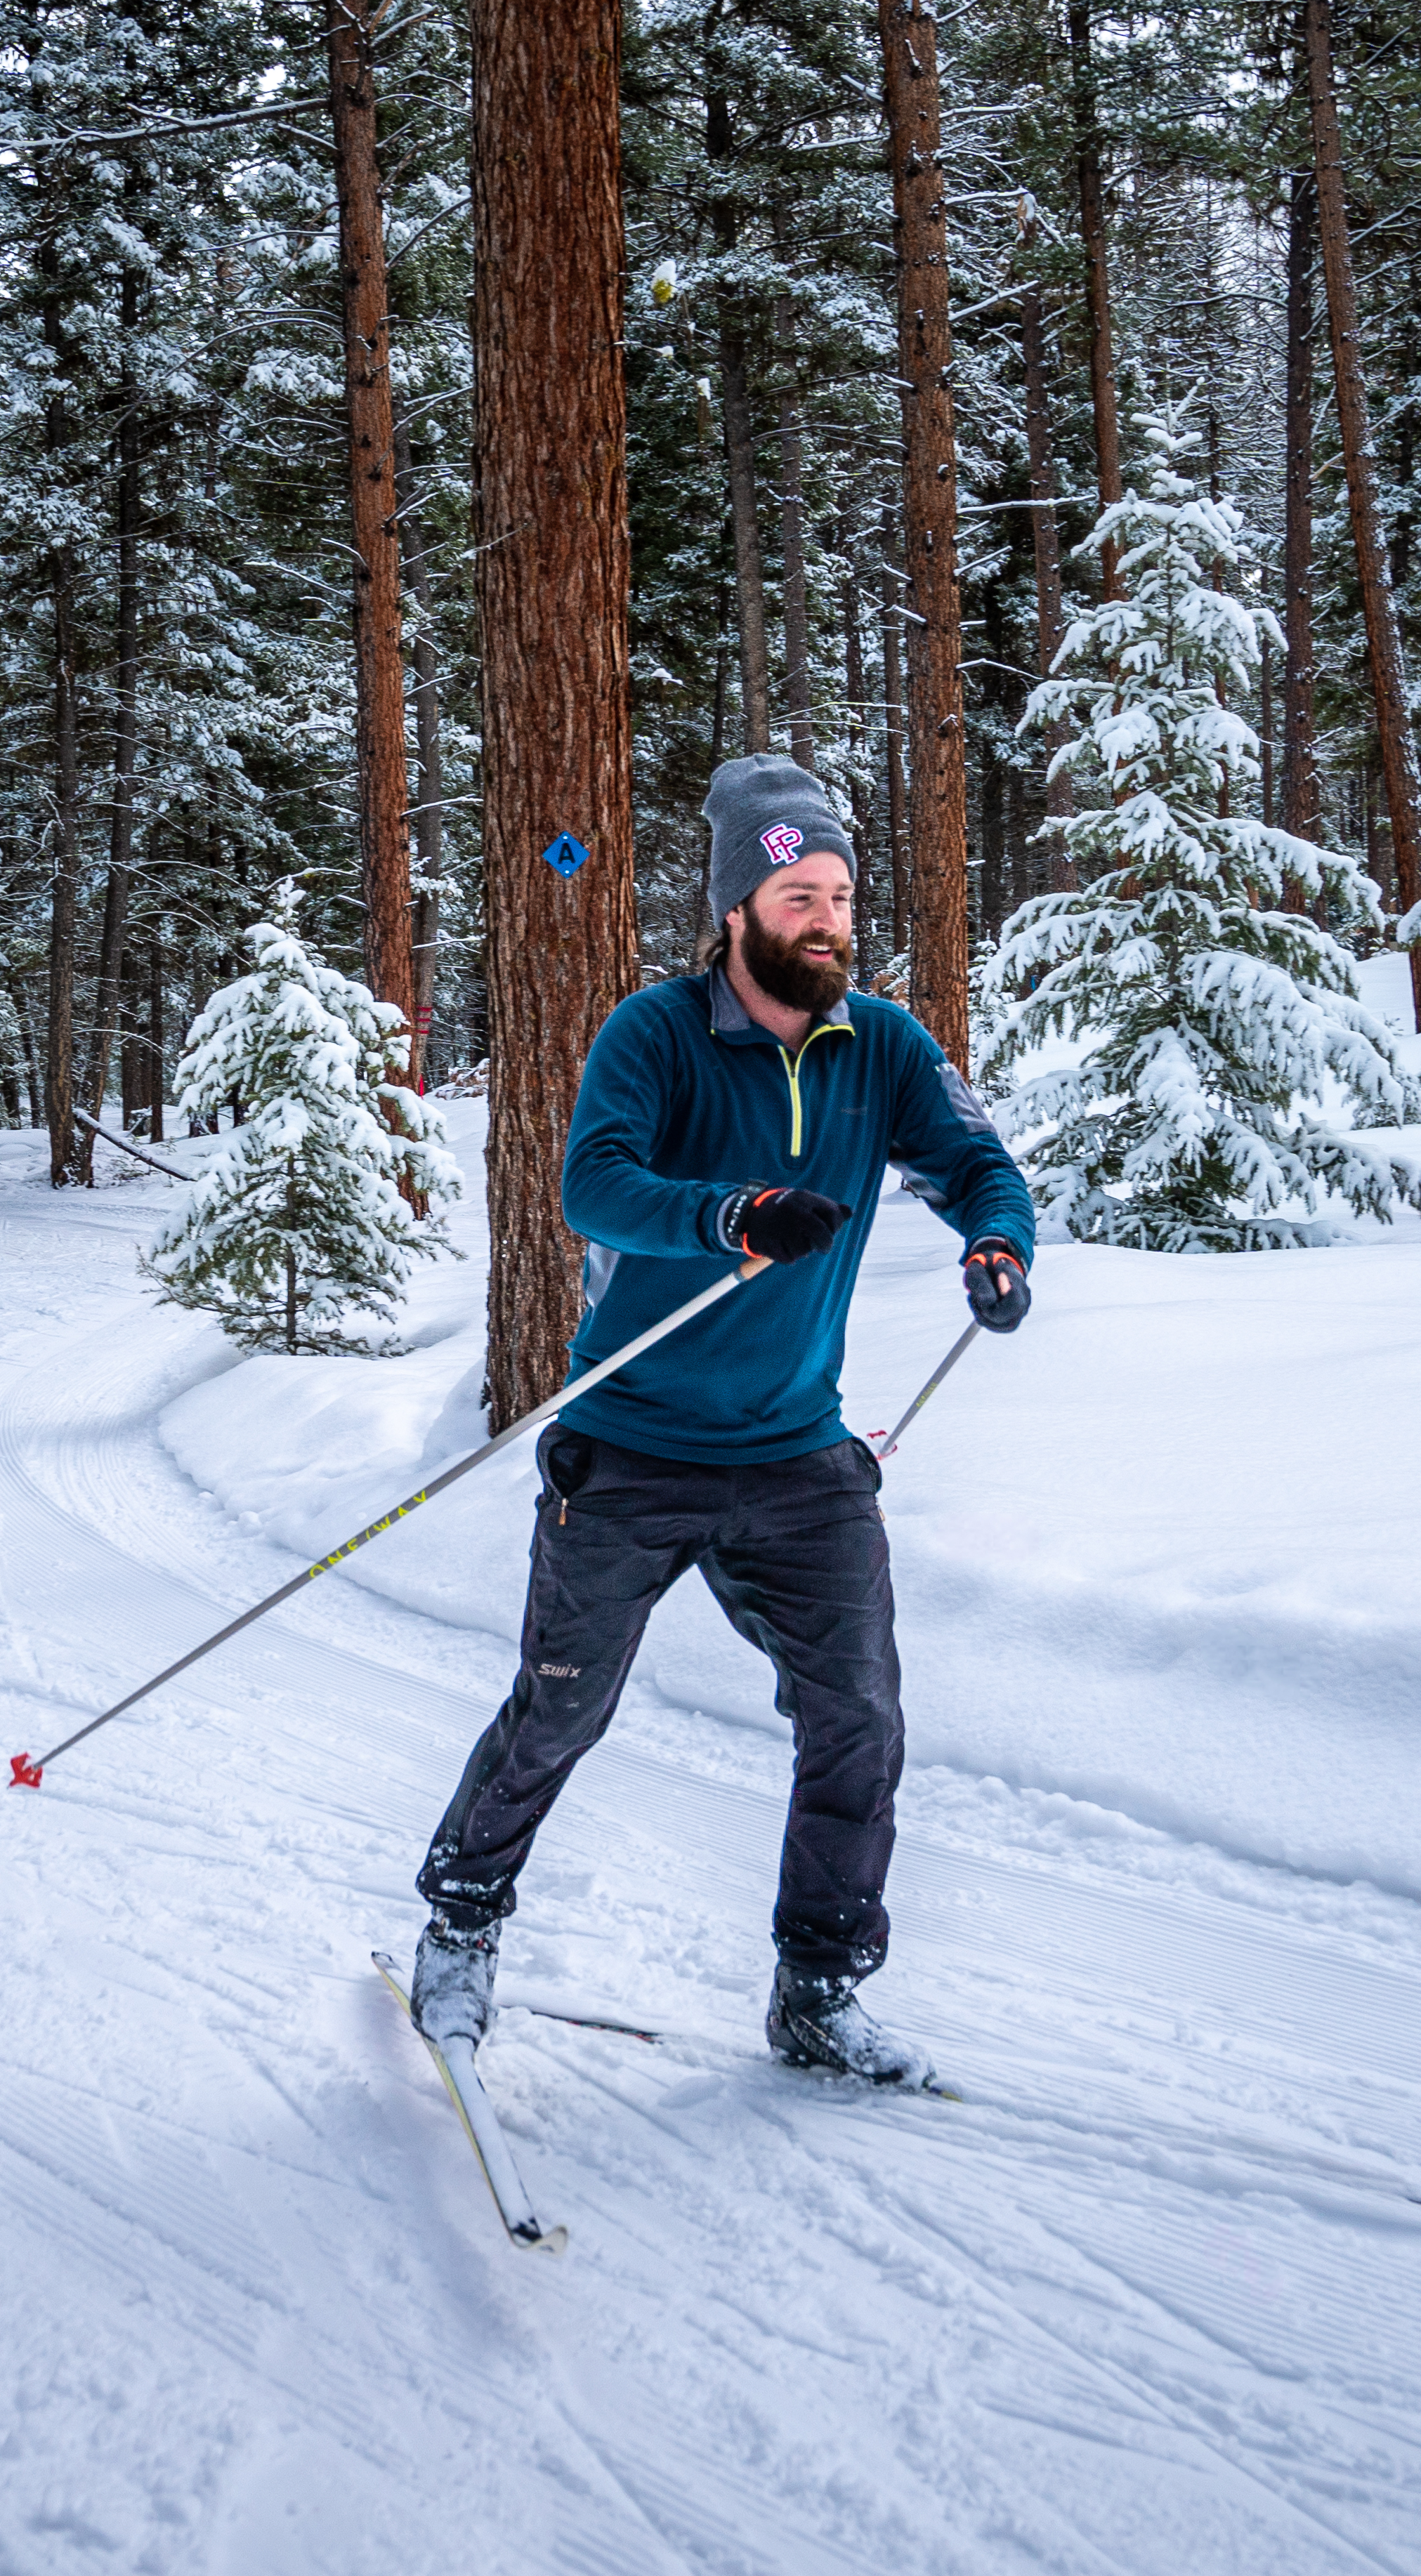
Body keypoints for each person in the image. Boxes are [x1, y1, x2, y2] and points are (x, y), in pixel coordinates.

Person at [407, 753, 1035, 2087]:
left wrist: (996, 1241)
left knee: (858, 1717)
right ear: (737, 908)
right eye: (799, 895)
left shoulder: (887, 1049)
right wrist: (731, 1213)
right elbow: (594, 1186)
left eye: (841, 897)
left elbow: (975, 1161)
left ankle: (816, 1990)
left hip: (797, 1452)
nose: (828, 921)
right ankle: (460, 1925)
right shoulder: (658, 1034)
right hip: (630, 1444)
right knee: (563, 1711)